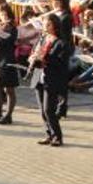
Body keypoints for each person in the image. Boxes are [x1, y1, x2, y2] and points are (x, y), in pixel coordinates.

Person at [28, 14, 71, 147]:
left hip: (52, 78)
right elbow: (34, 51)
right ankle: (49, 134)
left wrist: (44, 58)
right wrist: (32, 58)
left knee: (48, 109)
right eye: (44, 25)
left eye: (48, 25)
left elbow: (61, 61)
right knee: (42, 110)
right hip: (38, 76)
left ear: (55, 26)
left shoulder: (61, 43)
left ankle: (57, 136)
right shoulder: (42, 39)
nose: (45, 28)